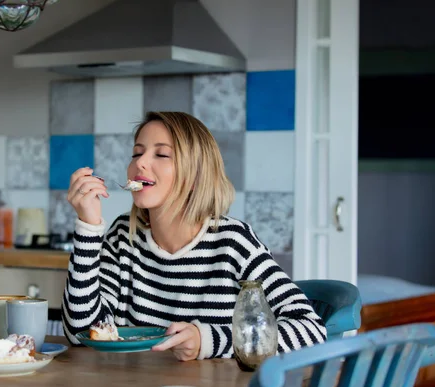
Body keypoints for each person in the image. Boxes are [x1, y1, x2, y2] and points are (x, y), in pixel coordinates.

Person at [61, 111, 326, 361]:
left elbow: (311, 332)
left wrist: (209, 340)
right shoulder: (123, 237)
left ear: (196, 173)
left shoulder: (233, 243)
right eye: (137, 152)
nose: (139, 162)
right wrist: (88, 226)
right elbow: (80, 334)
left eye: (162, 155)